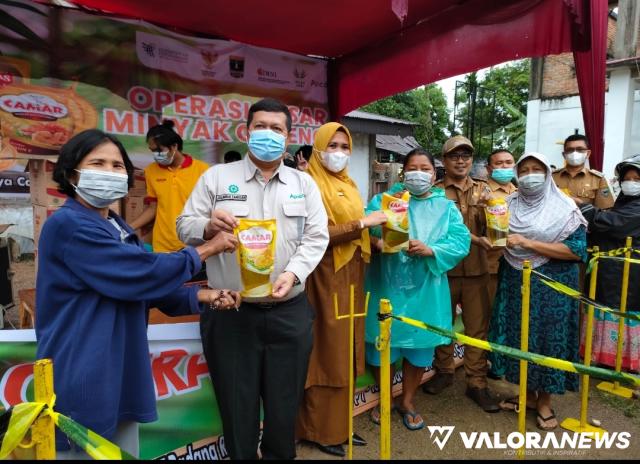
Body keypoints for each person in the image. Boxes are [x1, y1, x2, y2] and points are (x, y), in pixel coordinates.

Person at [35, 129, 240, 459]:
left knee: (121, 449)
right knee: (83, 450)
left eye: (118, 166)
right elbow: (142, 272)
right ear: (72, 173)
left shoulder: (117, 226)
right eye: (98, 163)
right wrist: (207, 249)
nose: (110, 172)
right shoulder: (69, 225)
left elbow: (139, 285)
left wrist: (199, 297)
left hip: (121, 365)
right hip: (84, 365)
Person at [176, 98, 329, 460]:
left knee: (283, 407)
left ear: (288, 137)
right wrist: (208, 226)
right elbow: (184, 227)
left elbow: (316, 236)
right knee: (237, 408)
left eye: (277, 129)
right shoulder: (216, 178)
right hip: (231, 312)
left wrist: (293, 273)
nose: (268, 134)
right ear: (247, 132)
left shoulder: (303, 184)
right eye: (261, 126)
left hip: (288, 312)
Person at [295, 123, 387, 457]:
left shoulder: (347, 183)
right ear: (317, 148)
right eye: (331, 145)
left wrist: (375, 241)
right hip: (323, 274)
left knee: (348, 351)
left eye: (344, 146)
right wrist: (362, 224)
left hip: (352, 274)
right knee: (326, 354)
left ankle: (341, 427)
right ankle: (318, 430)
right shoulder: (308, 184)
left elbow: (358, 226)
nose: (338, 152)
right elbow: (315, 235)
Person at [364, 148, 470, 430]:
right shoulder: (383, 200)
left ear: (434, 175)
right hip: (386, 283)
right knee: (380, 345)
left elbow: (461, 242)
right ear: (403, 172)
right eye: (413, 168)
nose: (419, 173)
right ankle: (385, 397)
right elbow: (365, 228)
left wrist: (432, 249)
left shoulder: (446, 207)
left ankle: (407, 400)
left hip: (427, 288)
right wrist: (378, 243)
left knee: (420, 348)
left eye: (425, 169)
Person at [488, 152, 587, 430]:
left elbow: (577, 251)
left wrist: (529, 244)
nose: (530, 174)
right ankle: (527, 396)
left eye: (537, 169)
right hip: (514, 280)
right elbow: (500, 236)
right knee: (520, 338)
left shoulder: (564, 207)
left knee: (548, 340)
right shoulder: (508, 204)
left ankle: (544, 402)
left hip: (552, 286)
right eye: (525, 169)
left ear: (547, 173)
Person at [422, 135, 500, 413]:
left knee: (477, 328)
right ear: (444, 161)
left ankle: (476, 382)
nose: (461, 160)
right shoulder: (434, 192)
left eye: (466, 155)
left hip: (479, 270)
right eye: (455, 156)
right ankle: (444, 370)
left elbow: (497, 228)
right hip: (443, 270)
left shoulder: (485, 191)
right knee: (442, 324)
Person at [579, 155, 640, 372]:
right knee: (606, 308)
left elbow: (614, 225)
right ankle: (606, 360)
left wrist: (583, 207)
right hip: (609, 272)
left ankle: (628, 366)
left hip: (630, 275)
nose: (631, 182)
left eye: (637, 178)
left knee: (626, 311)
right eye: (628, 178)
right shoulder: (623, 202)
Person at [129, 120, 209, 254]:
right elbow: (153, 208)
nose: (155, 154)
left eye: (158, 150)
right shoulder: (150, 171)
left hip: (194, 244)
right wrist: (128, 227)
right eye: (152, 151)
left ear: (174, 146)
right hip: (163, 246)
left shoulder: (202, 169)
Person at [485, 149, 517, 302]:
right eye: (499, 163)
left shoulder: (520, 192)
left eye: (508, 163)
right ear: (489, 168)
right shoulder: (481, 192)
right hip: (492, 265)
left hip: (518, 264)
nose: (504, 166)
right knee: (490, 311)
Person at [552, 134, 614, 209]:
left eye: (580, 149)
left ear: (588, 154)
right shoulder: (552, 177)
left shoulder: (598, 180)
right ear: (564, 155)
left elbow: (604, 211)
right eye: (570, 150)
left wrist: (583, 206)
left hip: (585, 220)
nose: (574, 153)